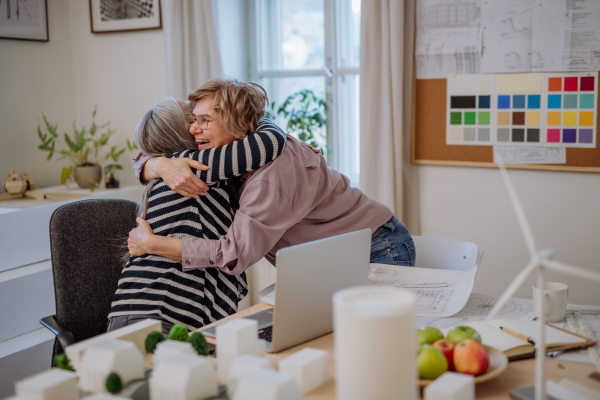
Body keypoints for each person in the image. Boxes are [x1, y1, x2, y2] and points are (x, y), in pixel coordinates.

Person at [128, 77, 415, 284]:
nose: (193, 129)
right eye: (192, 120)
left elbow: (233, 253)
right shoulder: (240, 153)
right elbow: (151, 147)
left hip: (376, 249)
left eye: (204, 121)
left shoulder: (269, 177)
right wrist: (157, 164)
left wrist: (152, 244)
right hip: (332, 261)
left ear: (239, 125)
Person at [108, 93, 287, 335]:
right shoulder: (193, 166)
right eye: (193, 117)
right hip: (155, 313)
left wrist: (154, 165)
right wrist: (250, 117)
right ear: (181, 134)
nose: (199, 124)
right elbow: (268, 144)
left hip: (173, 316)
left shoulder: (173, 168)